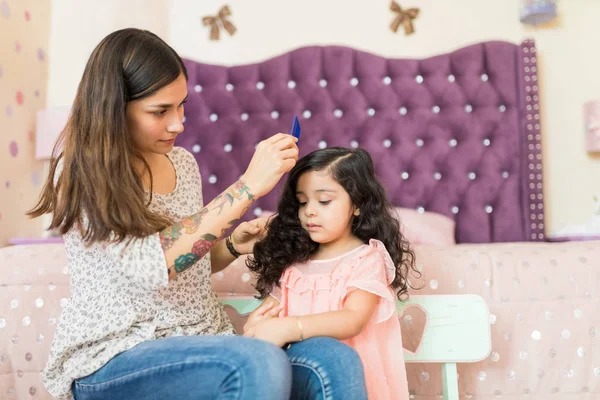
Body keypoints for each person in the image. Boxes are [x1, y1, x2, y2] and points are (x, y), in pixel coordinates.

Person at [28, 28, 367, 400]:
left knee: (334, 358)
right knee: (254, 362)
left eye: (181, 105)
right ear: (114, 108)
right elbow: (151, 267)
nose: (178, 123)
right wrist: (247, 187)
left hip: (202, 339)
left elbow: (187, 268)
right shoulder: (82, 169)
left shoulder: (182, 163)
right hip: (115, 354)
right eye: (160, 111)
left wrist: (232, 247)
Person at [245, 147, 420, 400]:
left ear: (357, 205)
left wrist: (288, 327)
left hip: (349, 382)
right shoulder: (294, 265)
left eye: (324, 201)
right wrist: (256, 324)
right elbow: (270, 311)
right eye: (303, 202)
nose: (310, 212)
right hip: (299, 379)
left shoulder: (366, 258)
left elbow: (353, 319)